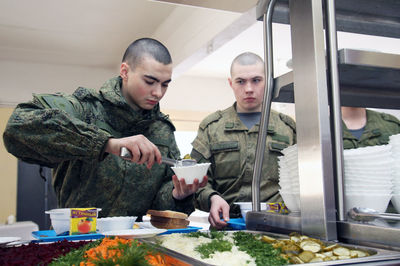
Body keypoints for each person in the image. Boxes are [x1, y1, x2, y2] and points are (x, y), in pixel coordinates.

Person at [3, 38, 207, 218]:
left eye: (165, 84)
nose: (158, 92)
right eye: (150, 81)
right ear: (125, 71)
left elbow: (159, 208)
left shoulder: (162, 130)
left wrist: (177, 194)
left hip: (135, 247)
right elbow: (18, 126)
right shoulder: (84, 108)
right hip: (78, 242)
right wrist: (106, 143)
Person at [190, 52, 296, 229]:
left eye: (256, 80)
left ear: (268, 82)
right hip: (225, 228)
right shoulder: (212, 127)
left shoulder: (287, 128)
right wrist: (211, 198)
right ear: (231, 83)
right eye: (240, 81)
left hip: (278, 229)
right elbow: (195, 180)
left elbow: (302, 180)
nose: (248, 88)